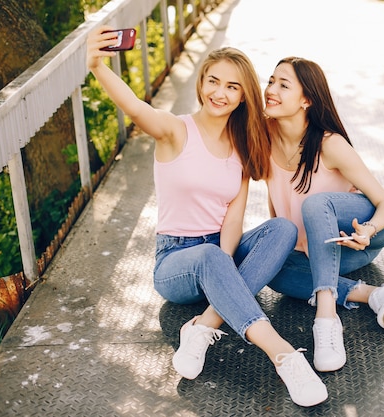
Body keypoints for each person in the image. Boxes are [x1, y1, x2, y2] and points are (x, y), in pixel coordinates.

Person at [86, 28, 328, 407]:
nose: (221, 92)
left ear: (244, 94)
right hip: (175, 262)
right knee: (210, 256)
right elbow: (135, 107)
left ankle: (204, 326)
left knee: (282, 228)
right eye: (213, 81)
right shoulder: (174, 130)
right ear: (201, 83)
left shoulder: (242, 145)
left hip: (218, 252)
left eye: (233, 86)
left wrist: (226, 271)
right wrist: (97, 66)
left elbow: (233, 220)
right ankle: (284, 355)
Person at [263, 56, 384, 373]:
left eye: (283, 84)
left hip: (368, 226)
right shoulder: (264, 137)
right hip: (331, 251)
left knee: (314, 205)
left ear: (307, 100)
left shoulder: (329, 144)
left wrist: (368, 231)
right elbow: (276, 201)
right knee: (274, 272)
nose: (271, 89)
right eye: (271, 81)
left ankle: (326, 322)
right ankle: (375, 295)